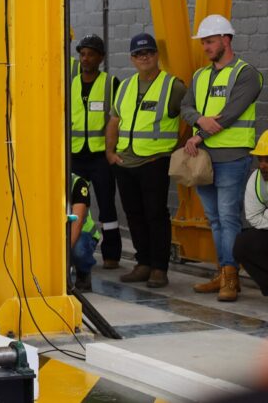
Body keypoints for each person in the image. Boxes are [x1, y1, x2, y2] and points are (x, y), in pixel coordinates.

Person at [182, 15, 263, 302]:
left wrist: (199, 134)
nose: (205, 47)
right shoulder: (199, 76)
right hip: (203, 158)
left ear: (226, 40)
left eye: (210, 41)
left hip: (232, 156)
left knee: (228, 218)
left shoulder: (247, 74)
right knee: (215, 219)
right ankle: (223, 271)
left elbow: (231, 114)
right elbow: (185, 106)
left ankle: (231, 276)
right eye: (203, 42)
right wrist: (199, 119)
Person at [105, 33, 184, 289]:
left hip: (154, 161)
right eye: (139, 54)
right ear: (132, 58)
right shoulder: (126, 86)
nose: (144, 57)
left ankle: (159, 269)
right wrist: (109, 152)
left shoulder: (173, 86)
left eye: (148, 52)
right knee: (134, 214)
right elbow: (114, 121)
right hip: (125, 163)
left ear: (156, 55)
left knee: (156, 215)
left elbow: (192, 117)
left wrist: (179, 148)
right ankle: (143, 264)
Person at [69, 34, 122, 269]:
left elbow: (118, 119)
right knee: (71, 204)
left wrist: (112, 151)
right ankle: (70, 246)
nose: (86, 58)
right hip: (75, 155)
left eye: (91, 54)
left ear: (101, 57)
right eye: (82, 54)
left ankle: (111, 254)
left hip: (101, 156)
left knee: (106, 205)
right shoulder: (69, 83)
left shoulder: (112, 84)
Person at [234, 130, 268, 297]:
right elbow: (254, 217)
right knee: (243, 243)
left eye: (267, 160)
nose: (263, 165)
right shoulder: (256, 179)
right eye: (260, 159)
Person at [69, 173, 101, 292]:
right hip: (55, 233)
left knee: (78, 249)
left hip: (83, 234)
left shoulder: (78, 183)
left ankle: (83, 276)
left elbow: (77, 221)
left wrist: (64, 254)